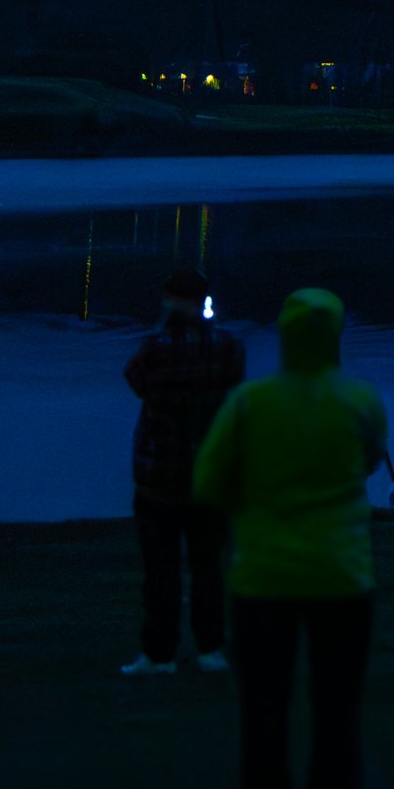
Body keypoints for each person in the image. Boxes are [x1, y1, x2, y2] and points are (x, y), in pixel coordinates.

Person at [191, 286, 389, 789]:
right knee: (337, 718)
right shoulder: (360, 400)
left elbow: (208, 483)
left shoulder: (250, 403)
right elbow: (369, 460)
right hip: (341, 577)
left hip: (263, 578)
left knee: (264, 718)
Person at [121, 261, 247, 677]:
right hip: (209, 475)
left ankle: (159, 654)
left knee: (160, 571)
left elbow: (136, 382)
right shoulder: (227, 347)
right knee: (208, 566)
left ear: (169, 300)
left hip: (159, 476)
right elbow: (234, 390)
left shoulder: (154, 349)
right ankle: (210, 647)